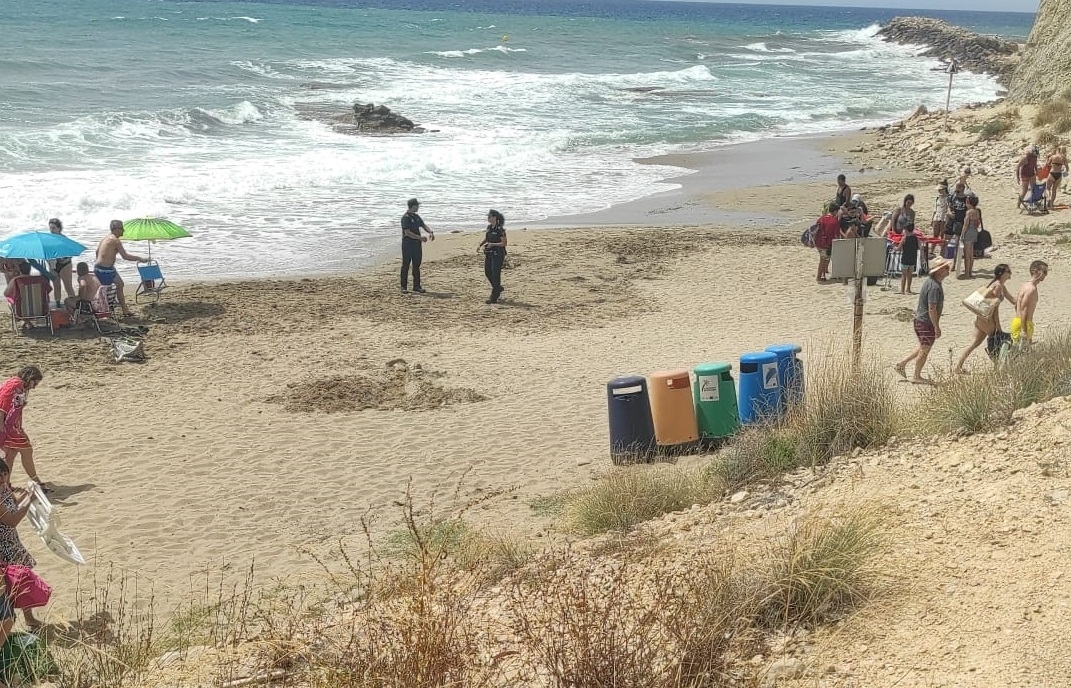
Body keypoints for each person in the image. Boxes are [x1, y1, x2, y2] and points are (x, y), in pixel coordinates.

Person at [894, 258, 952, 385]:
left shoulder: (932, 282)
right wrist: (936, 327)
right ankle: (916, 376)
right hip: (925, 322)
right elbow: (932, 308)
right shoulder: (934, 286)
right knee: (925, 349)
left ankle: (901, 364)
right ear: (939, 271)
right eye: (946, 268)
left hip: (920, 320)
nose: (948, 269)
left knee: (923, 347)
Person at [0, 459, 42, 629]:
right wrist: (29, 501)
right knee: (9, 585)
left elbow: (15, 503)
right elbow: (11, 520)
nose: (2, 478)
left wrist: (27, 494)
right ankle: (8, 622)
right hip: (3, 548)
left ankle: (29, 618)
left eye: (5, 473)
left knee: (22, 579)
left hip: (13, 542)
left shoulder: (5, 488)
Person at [953, 264, 1017, 374]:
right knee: (998, 343)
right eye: (1008, 271)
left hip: (981, 318)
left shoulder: (998, 285)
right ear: (1001, 274)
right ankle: (999, 369)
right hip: (989, 319)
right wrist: (997, 324)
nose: (1010, 273)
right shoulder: (998, 286)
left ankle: (958, 366)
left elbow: (1013, 300)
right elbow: (994, 308)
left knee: (974, 343)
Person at [0, 367, 48, 495]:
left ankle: (5, 485)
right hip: (8, 427)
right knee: (27, 450)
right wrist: (2, 427)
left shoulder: (15, 383)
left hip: (11, 426)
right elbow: (2, 404)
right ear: (30, 378)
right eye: (35, 383)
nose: (34, 387)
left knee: (11, 454)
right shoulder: (16, 385)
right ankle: (37, 481)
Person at [94, 220, 145, 318]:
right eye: (122, 228)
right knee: (106, 291)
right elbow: (125, 256)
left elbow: (97, 252)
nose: (123, 231)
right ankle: (108, 310)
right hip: (105, 270)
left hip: (102, 268)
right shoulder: (115, 241)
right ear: (116, 229)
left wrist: (104, 261)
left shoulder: (105, 238)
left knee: (120, 284)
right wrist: (140, 258)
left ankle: (124, 309)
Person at [1011, 260, 1048, 348]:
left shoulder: (1024, 285)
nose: (1046, 275)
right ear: (1035, 271)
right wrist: (1024, 330)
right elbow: (1024, 309)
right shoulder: (1031, 289)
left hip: (1020, 322)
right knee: (1021, 351)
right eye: (1044, 272)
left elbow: (1017, 305)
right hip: (1024, 324)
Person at [400, 198, 434, 294]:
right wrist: (420, 238)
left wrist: (430, 232)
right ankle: (403, 287)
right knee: (406, 265)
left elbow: (423, 225)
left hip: (417, 245)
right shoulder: (405, 218)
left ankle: (417, 286)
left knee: (416, 265)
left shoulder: (416, 216)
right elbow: (407, 233)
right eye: (417, 206)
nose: (418, 207)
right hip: (407, 245)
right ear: (413, 206)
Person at [477, 210, 508, 304]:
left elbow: (504, 243)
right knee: (488, 272)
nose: (488, 218)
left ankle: (494, 296)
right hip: (489, 253)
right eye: (488, 217)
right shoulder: (489, 227)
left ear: (495, 217)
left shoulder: (500, 229)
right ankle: (498, 288)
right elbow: (487, 238)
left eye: (490, 216)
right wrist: (480, 244)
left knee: (495, 274)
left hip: (498, 254)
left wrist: (493, 244)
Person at [46, 219, 75, 306]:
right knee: (56, 286)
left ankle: (74, 304)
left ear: (59, 228)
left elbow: (71, 252)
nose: (51, 230)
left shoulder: (64, 239)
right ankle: (58, 304)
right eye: (50, 228)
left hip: (65, 264)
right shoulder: (48, 240)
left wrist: (64, 259)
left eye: (53, 228)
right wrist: (49, 262)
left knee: (68, 286)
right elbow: (46, 253)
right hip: (53, 265)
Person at [814, 202, 840, 282]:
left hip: (818, 242)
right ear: (835, 211)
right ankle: (819, 277)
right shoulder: (834, 221)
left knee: (824, 259)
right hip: (826, 243)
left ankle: (823, 275)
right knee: (823, 260)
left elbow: (816, 229)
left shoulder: (821, 218)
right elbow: (836, 235)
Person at [960, 194, 982, 279]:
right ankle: (970, 272)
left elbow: (965, 225)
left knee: (967, 255)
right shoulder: (977, 211)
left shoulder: (969, 212)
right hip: (974, 232)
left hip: (968, 232)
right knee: (971, 254)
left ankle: (967, 273)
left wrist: (962, 234)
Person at [898, 225, 920, 295]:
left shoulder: (904, 238)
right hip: (912, 259)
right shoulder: (916, 238)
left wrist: (894, 247)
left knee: (904, 275)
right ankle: (908, 289)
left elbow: (899, 248)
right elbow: (920, 247)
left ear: (906, 230)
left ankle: (902, 290)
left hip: (905, 258)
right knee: (910, 275)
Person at [931, 181, 949, 253]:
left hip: (944, 217)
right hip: (937, 217)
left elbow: (948, 209)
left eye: (940, 189)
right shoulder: (938, 197)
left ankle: (942, 252)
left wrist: (947, 220)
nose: (939, 191)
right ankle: (931, 251)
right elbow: (935, 209)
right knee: (935, 235)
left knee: (942, 235)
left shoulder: (948, 198)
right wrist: (932, 219)